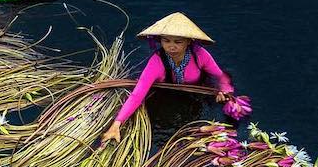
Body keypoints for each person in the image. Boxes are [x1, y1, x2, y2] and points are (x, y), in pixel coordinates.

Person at [100, 14, 234, 144]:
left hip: (197, 94)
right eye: (166, 41)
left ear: (188, 41)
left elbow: (220, 76)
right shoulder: (156, 62)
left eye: (178, 42)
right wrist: (117, 123)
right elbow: (137, 94)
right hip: (166, 95)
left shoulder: (200, 55)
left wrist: (224, 90)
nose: (171, 46)